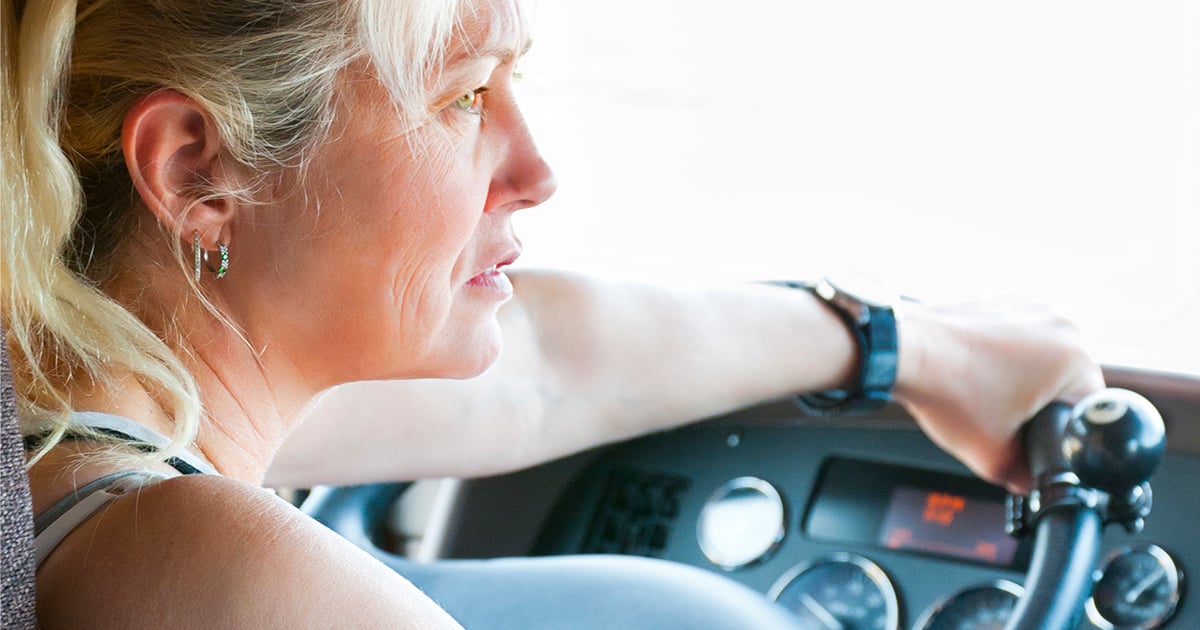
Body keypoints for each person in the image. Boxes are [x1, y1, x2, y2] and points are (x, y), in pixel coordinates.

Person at [1, 0, 1104, 627]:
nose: (536, 168)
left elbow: (541, 368)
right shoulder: (231, 578)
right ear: (199, 170)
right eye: (465, 97)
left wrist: (909, 348)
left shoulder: (58, 408)